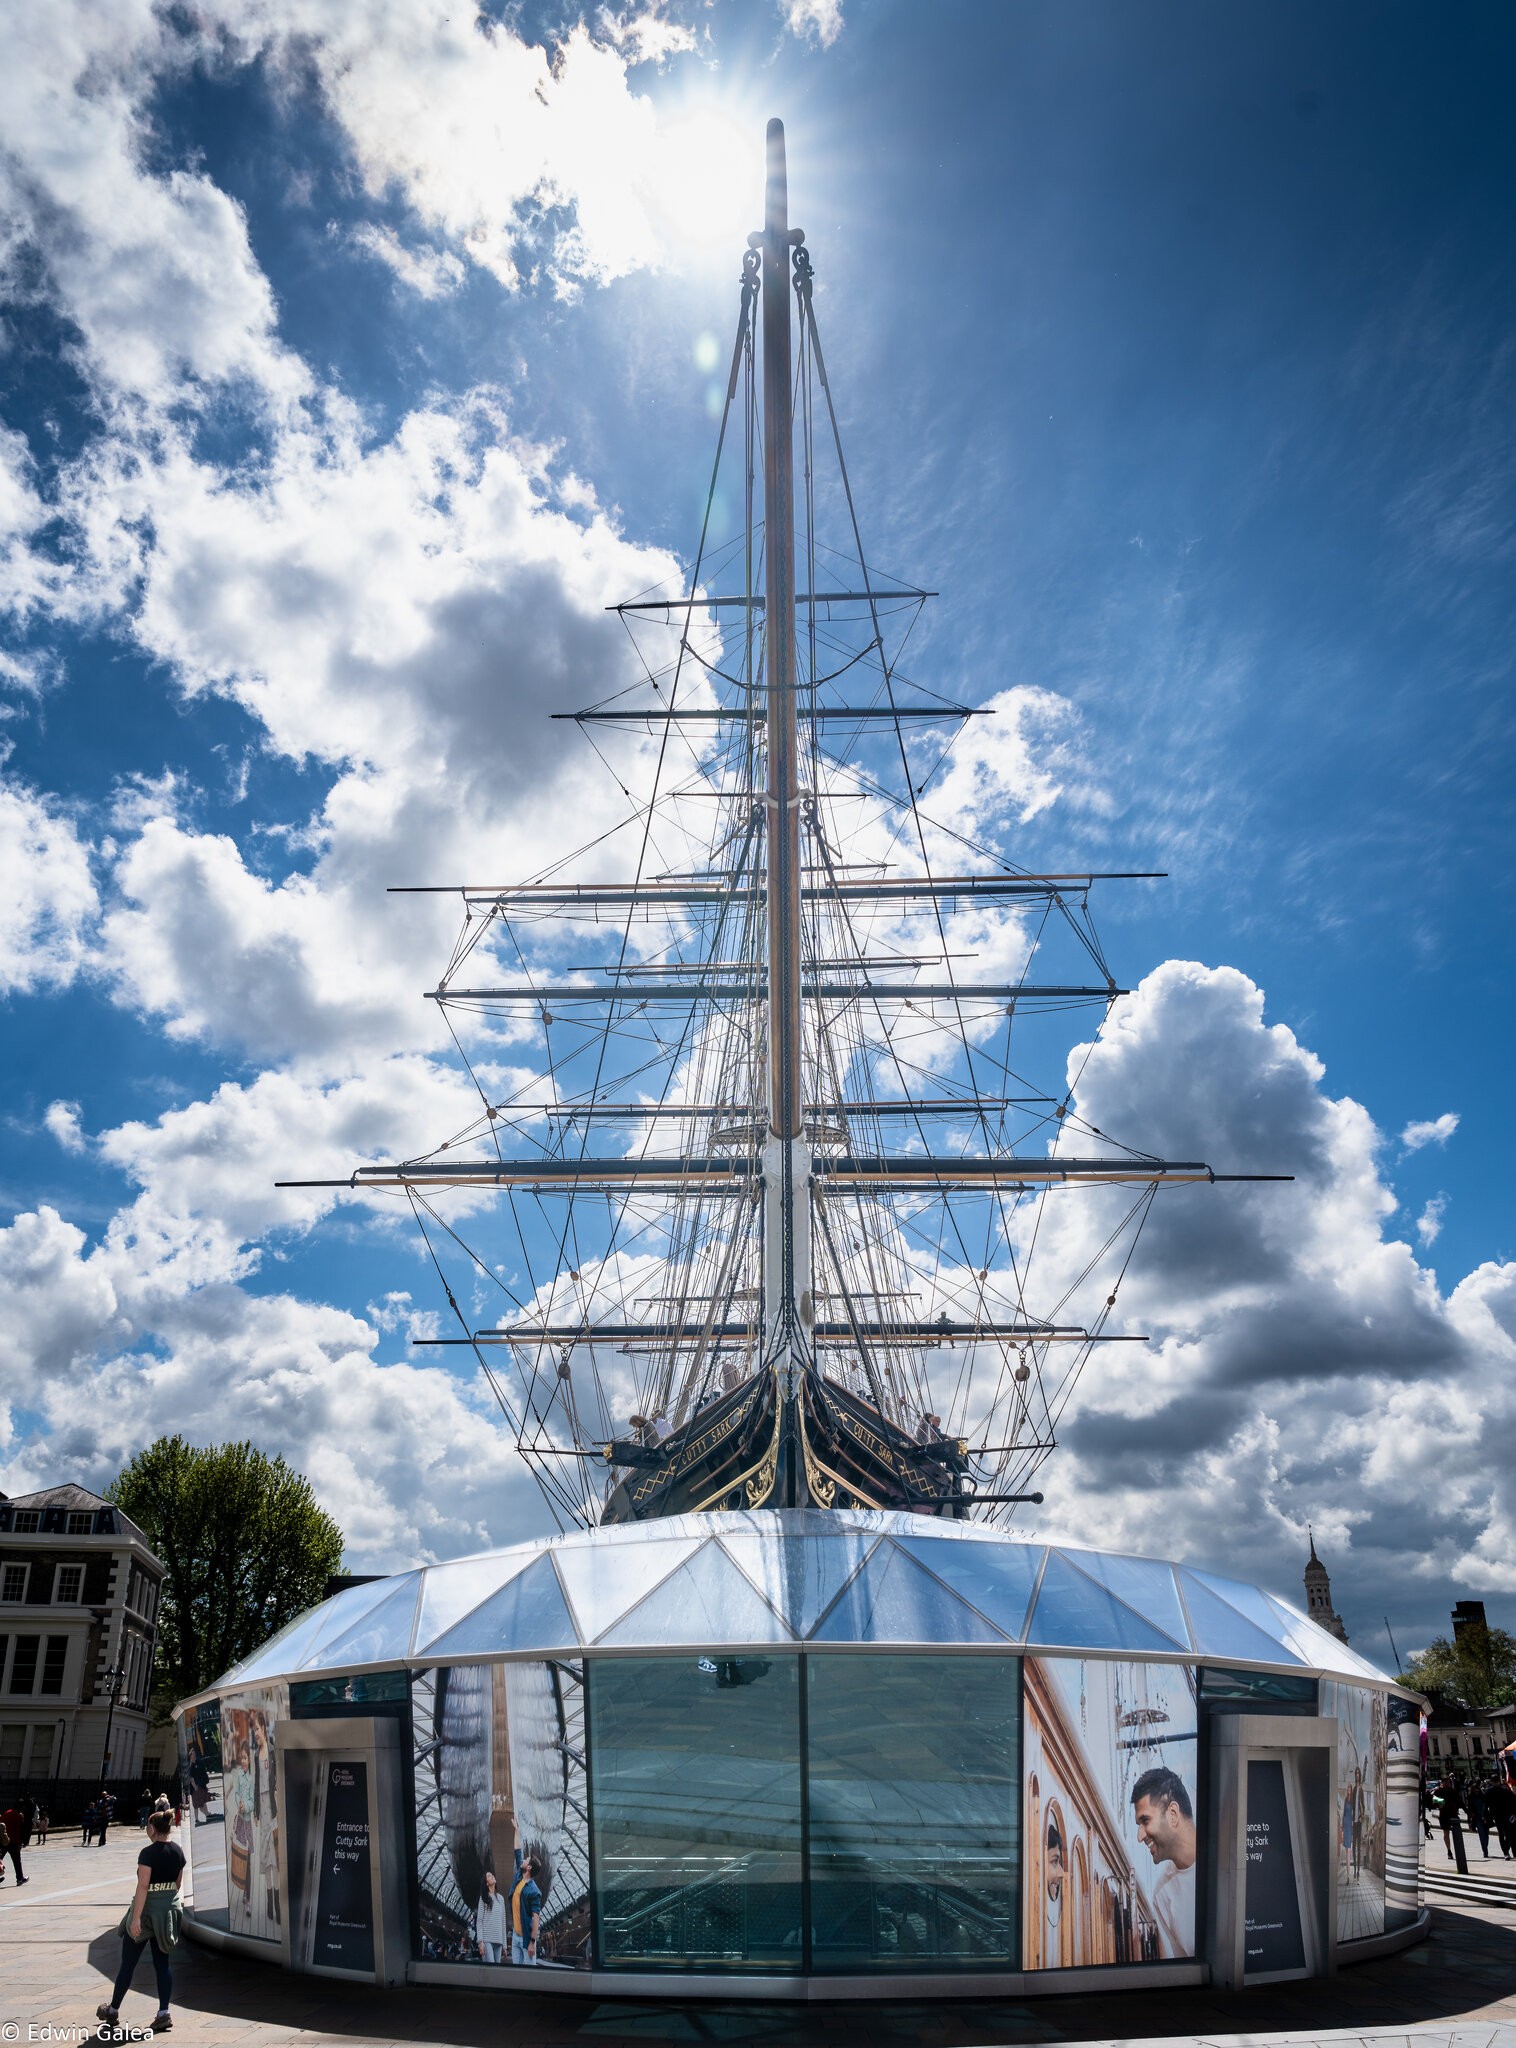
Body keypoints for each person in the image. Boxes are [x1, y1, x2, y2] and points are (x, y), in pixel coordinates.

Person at [96, 1809, 184, 2036]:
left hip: (145, 1914)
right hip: (165, 1916)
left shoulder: (147, 1853)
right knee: (162, 1963)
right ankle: (163, 2014)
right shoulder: (178, 1852)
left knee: (128, 1963)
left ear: (153, 1828)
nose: (146, 1828)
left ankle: (113, 2010)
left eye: (147, 1825)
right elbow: (177, 1885)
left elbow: (143, 1886)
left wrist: (136, 1917)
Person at [1131, 1766, 1198, 1961]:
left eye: (1145, 1820)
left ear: (1173, 1814)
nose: (1140, 1836)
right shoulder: (1162, 1895)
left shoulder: (1227, 1855)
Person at [508, 1851, 542, 1966]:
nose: (523, 1859)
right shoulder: (519, 1876)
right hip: (515, 1935)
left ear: (529, 1867)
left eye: (526, 1859)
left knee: (529, 1975)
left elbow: (536, 1918)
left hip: (526, 1939)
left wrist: (532, 1942)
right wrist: (516, 1832)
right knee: (516, 1973)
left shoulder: (534, 1891)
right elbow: (517, 1851)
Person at [476, 1869, 506, 1962]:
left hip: (499, 1940)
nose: (492, 1875)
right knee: (491, 1965)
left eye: (491, 1874)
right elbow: (479, 1921)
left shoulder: (501, 1898)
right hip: (487, 1939)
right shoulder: (483, 1899)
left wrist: (504, 1945)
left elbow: (503, 1922)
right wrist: (480, 1941)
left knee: (496, 1971)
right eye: (489, 1876)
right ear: (487, 1883)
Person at [1, 1801, 27, 1885]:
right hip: (15, 1842)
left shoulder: (6, 1813)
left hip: (4, 1840)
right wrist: (21, 1843)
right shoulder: (19, 1816)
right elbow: (21, 1830)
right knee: (17, 1862)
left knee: (0, 1859)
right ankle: (19, 1879)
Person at [1467, 1780, 1492, 1859]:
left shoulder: (1483, 1796)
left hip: (1485, 1817)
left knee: (1487, 1835)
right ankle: (1485, 1851)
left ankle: (1485, 1848)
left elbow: (1487, 1806)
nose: (1476, 1790)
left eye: (1477, 1788)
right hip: (1477, 1819)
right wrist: (1469, 1821)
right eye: (1474, 1789)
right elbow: (1469, 1811)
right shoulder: (1471, 1798)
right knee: (1482, 1835)